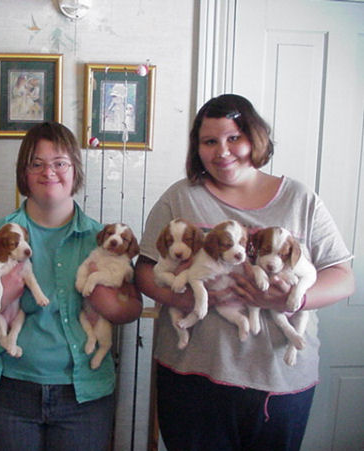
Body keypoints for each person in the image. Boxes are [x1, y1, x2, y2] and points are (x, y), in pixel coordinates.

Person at [135, 94, 355, 451]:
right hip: (192, 379)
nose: (222, 151)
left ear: (255, 138)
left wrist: (291, 299)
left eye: (233, 137)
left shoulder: (301, 199)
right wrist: (186, 297)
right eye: (210, 141)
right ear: (197, 148)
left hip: (279, 382)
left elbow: (343, 277)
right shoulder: (180, 197)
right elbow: (144, 272)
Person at [0, 121, 142, 450]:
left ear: (75, 170)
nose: (48, 172)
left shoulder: (103, 238)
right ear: (23, 174)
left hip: (83, 395)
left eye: (60, 163)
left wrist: (105, 297)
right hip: (10, 392)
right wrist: (5, 292)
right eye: (36, 163)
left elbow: (133, 306)